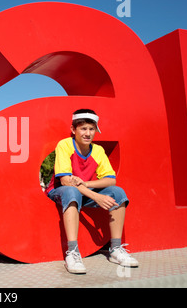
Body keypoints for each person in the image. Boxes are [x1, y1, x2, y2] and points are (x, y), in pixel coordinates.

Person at [45, 108, 138, 274]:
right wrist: (96, 196)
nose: (87, 133)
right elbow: (66, 180)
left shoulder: (98, 150)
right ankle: (72, 253)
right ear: (73, 130)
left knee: (117, 192)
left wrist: (86, 184)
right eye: (83, 129)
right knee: (71, 192)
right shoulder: (65, 145)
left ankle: (115, 250)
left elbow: (111, 179)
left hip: (84, 191)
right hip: (60, 191)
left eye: (91, 129)